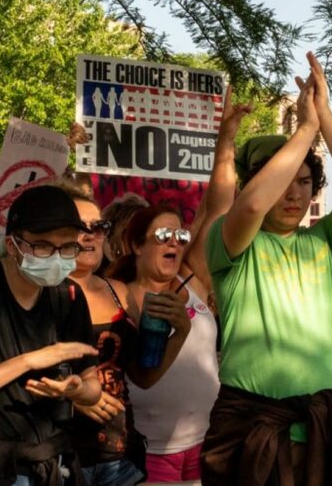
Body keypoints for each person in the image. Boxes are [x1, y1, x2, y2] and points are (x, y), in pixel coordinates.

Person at [200, 53, 332, 486]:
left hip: (325, 434)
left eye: (305, 181)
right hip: (250, 433)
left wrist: (325, 118)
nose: (294, 192)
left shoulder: (326, 243)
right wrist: (304, 132)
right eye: (284, 179)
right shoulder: (231, 241)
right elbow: (255, 205)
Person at [0, 185, 102, 484]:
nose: (56, 257)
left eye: (68, 247)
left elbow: (91, 386)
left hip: (54, 462)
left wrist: (75, 390)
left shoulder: (67, 296)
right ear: (12, 243)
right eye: (43, 246)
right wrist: (32, 360)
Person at [110, 206, 218, 483]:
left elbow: (218, 208)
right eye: (162, 234)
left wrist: (226, 161)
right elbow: (141, 375)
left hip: (205, 443)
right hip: (151, 450)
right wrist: (179, 331)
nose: (174, 242)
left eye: (181, 235)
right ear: (136, 245)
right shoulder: (117, 294)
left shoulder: (193, 282)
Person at [55, 183, 146, 486]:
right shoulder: (39, 294)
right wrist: (74, 398)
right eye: (80, 227)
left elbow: (144, 375)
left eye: (99, 226)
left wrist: (179, 333)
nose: (91, 235)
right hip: (63, 458)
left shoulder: (118, 291)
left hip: (120, 458)